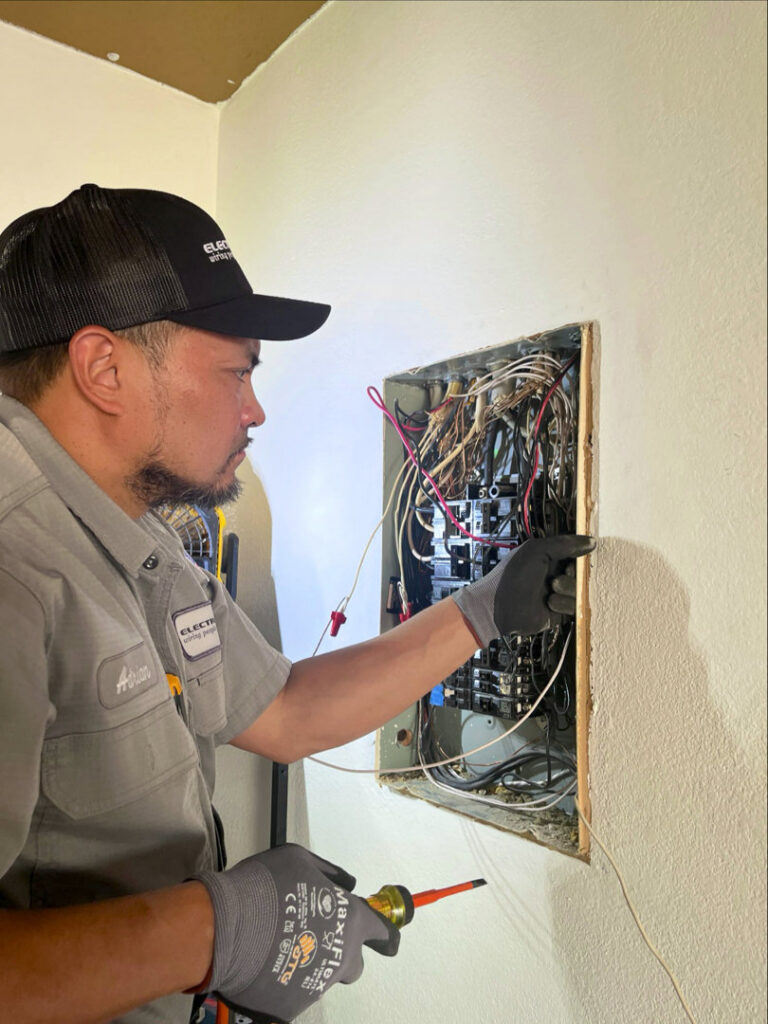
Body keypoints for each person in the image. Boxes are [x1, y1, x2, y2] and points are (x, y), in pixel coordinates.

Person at [0, 184, 593, 1024]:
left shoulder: (142, 535)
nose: (255, 409)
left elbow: (280, 709)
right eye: (237, 372)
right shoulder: (14, 563)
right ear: (105, 369)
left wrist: (481, 612)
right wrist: (225, 930)